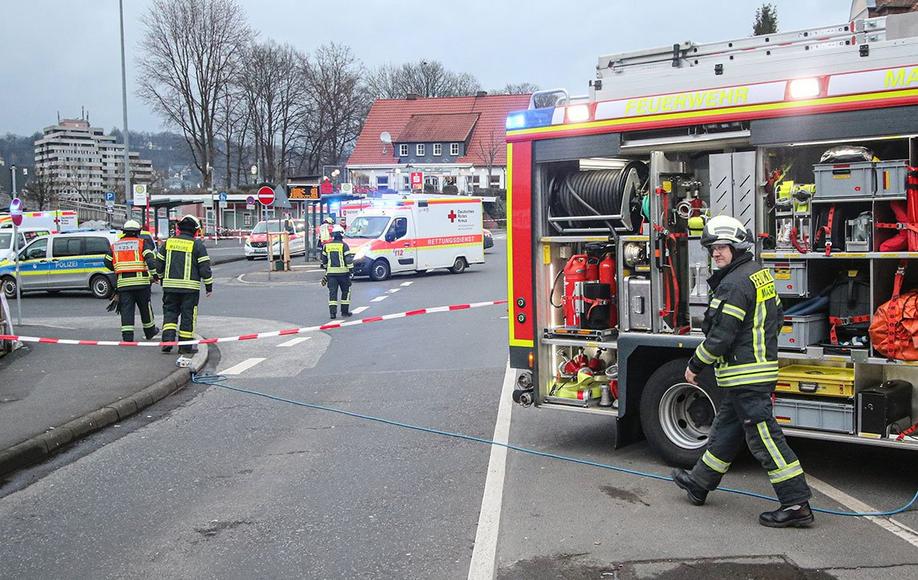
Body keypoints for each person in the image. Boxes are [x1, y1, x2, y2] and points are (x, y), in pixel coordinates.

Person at [672, 215, 814, 528]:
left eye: (722, 247)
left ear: (736, 248)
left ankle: (796, 503)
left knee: (764, 438)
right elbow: (776, 319)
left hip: (746, 374)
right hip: (753, 372)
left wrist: (695, 365)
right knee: (726, 430)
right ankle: (699, 482)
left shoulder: (734, 284)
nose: (716, 253)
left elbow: (721, 335)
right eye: (712, 248)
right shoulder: (758, 274)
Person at [155, 215, 213, 354]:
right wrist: (208, 286)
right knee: (188, 316)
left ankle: (167, 341)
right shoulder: (197, 245)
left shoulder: (168, 243)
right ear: (194, 230)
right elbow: (204, 268)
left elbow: (159, 263)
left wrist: (161, 278)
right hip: (190, 289)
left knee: (170, 313)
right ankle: (185, 347)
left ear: (180, 229)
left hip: (170, 287)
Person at [104, 219, 159, 342]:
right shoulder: (142, 243)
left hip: (123, 284)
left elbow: (107, 261)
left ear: (124, 231)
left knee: (126, 310)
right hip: (141, 283)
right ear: (138, 232)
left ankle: (127, 336)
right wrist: (155, 275)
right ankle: (150, 332)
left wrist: (117, 268)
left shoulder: (115, 245)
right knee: (145, 308)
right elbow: (150, 260)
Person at [321, 225, 353, 319]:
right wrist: (351, 270)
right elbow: (348, 260)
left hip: (331, 275)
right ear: (341, 234)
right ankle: (344, 312)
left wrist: (327, 270)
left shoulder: (327, 246)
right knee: (346, 292)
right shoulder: (344, 245)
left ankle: (332, 313)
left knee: (332, 293)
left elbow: (324, 261)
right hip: (344, 274)